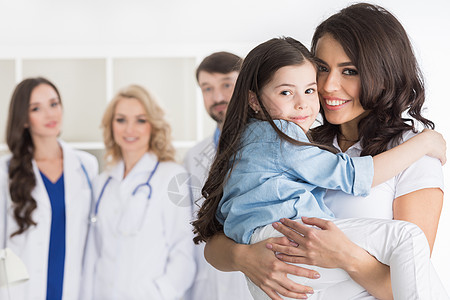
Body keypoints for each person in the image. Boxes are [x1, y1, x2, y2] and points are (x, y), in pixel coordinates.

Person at [202, 3, 447, 300]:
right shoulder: (297, 140)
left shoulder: (410, 154)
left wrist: (343, 255)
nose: (329, 86)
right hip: (290, 274)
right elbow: (214, 244)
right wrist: (246, 259)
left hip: (317, 283)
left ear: (382, 76)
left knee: (409, 242)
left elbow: (405, 281)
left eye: (350, 71)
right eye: (322, 68)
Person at [83, 85, 195, 300]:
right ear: (111, 125)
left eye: (140, 120)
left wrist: (158, 294)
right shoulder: (101, 183)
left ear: (153, 125)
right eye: (121, 120)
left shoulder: (172, 177)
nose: (129, 129)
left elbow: (183, 255)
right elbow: (93, 255)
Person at [0, 77, 98, 300]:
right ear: (24, 120)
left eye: (54, 104)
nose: (50, 114)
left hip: (73, 287)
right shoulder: (5, 172)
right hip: (21, 291)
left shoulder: (86, 166)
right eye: (36, 108)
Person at [183, 52, 253, 300]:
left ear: (245, 84)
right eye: (207, 88)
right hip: (207, 285)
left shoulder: (266, 144)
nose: (218, 97)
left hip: (254, 283)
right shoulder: (193, 157)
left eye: (226, 84)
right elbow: (188, 226)